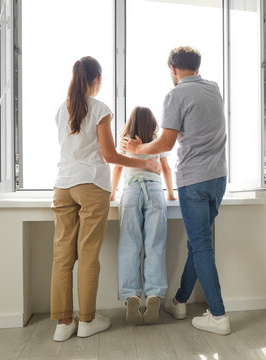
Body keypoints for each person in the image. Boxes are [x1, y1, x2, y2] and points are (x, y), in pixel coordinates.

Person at [122, 46, 231, 335]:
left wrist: (138, 149)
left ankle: (218, 316)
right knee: (198, 244)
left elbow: (166, 144)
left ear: (173, 69)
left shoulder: (175, 95)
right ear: (197, 66)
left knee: (201, 245)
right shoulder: (214, 89)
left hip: (194, 180)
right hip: (219, 178)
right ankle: (180, 301)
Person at [51, 56, 161, 342]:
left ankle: (63, 324)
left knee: (62, 256)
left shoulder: (61, 110)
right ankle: (87, 321)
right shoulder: (100, 109)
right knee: (87, 255)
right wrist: (145, 164)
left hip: (62, 186)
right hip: (90, 186)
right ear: (97, 80)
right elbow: (111, 156)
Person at [110, 106, 175, 325]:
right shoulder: (156, 142)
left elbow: (118, 168)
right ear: (152, 124)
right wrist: (172, 194)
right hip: (155, 193)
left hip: (130, 192)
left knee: (129, 244)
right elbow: (165, 168)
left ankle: (132, 295)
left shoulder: (125, 142)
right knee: (155, 245)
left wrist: (111, 194)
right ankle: (154, 294)